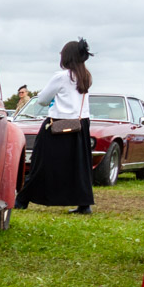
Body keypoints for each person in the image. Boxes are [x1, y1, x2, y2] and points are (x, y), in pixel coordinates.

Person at [16, 39, 94, 214]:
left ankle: (22, 199)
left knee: (41, 162)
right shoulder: (86, 76)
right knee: (79, 165)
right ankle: (84, 204)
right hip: (80, 124)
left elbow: (43, 100)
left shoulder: (61, 77)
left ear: (66, 57)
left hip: (58, 124)